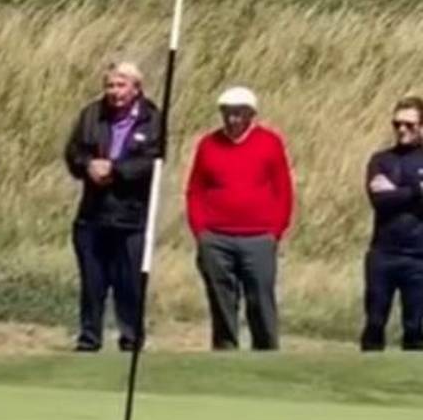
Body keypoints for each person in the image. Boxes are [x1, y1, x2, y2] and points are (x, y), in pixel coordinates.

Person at [63, 62, 163, 352]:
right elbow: (73, 152)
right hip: (93, 213)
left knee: (129, 283)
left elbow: (151, 161)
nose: (115, 92)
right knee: (92, 283)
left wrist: (116, 170)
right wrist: (87, 165)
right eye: (110, 86)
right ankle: (89, 338)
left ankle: (131, 339)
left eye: (121, 86)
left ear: (136, 88)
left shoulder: (151, 119)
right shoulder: (92, 114)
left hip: (131, 216)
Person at [186, 86, 294, 351]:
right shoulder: (209, 144)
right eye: (228, 113)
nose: (233, 119)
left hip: (258, 236)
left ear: (250, 115)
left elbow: (283, 190)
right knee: (221, 299)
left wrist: (275, 230)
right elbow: (195, 190)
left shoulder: (269, 142)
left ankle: (266, 352)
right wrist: (200, 231)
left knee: (260, 299)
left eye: (239, 114)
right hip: (216, 236)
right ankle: (225, 352)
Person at [360, 97, 423, 351]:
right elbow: (379, 200)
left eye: (409, 125)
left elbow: (390, 195)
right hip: (382, 254)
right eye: (397, 124)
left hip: (419, 257)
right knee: (374, 323)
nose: (401, 130)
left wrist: (396, 191)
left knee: (415, 328)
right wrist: (417, 190)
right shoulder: (381, 160)